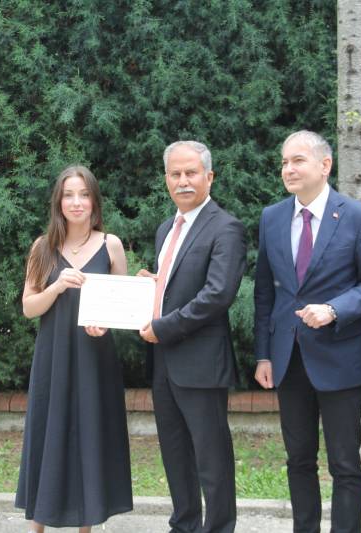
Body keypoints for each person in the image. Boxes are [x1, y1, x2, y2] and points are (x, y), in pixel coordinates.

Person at [253, 130, 361, 533]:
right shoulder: (272, 217)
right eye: (284, 162)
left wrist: (334, 309)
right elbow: (265, 292)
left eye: (298, 160)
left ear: (325, 165)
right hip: (288, 358)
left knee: (345, 464)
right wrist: (263, 354)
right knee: (298, 460)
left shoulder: (359, 217)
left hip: (341, 359)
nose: (288, 169)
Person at [15, 165, 133, 533]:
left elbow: (123, 305)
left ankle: (88, 525)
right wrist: (56, 287)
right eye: (69, 195)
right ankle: (37, 526)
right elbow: (28, 308)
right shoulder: (42, 247)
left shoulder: (111, 244)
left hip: (95, 357)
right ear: (58, 201)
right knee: (48, 432)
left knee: (91, 434)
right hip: (54, 356)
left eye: (84, 194)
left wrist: (107, 323)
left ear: (94, 201)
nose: (76, 202)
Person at [138, 140, 246, 533]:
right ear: (166, 179)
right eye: (175, 174)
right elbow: (177, 287)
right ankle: (183, 525)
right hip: (164, 363)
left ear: (209, 177)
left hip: (201, 364)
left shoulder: (226, 228)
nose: (183, 181)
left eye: (191, 173)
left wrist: (163, 327)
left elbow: (217, 295)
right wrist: (151, 287)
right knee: (175, 454)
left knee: (211, 459)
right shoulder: (166, 229)